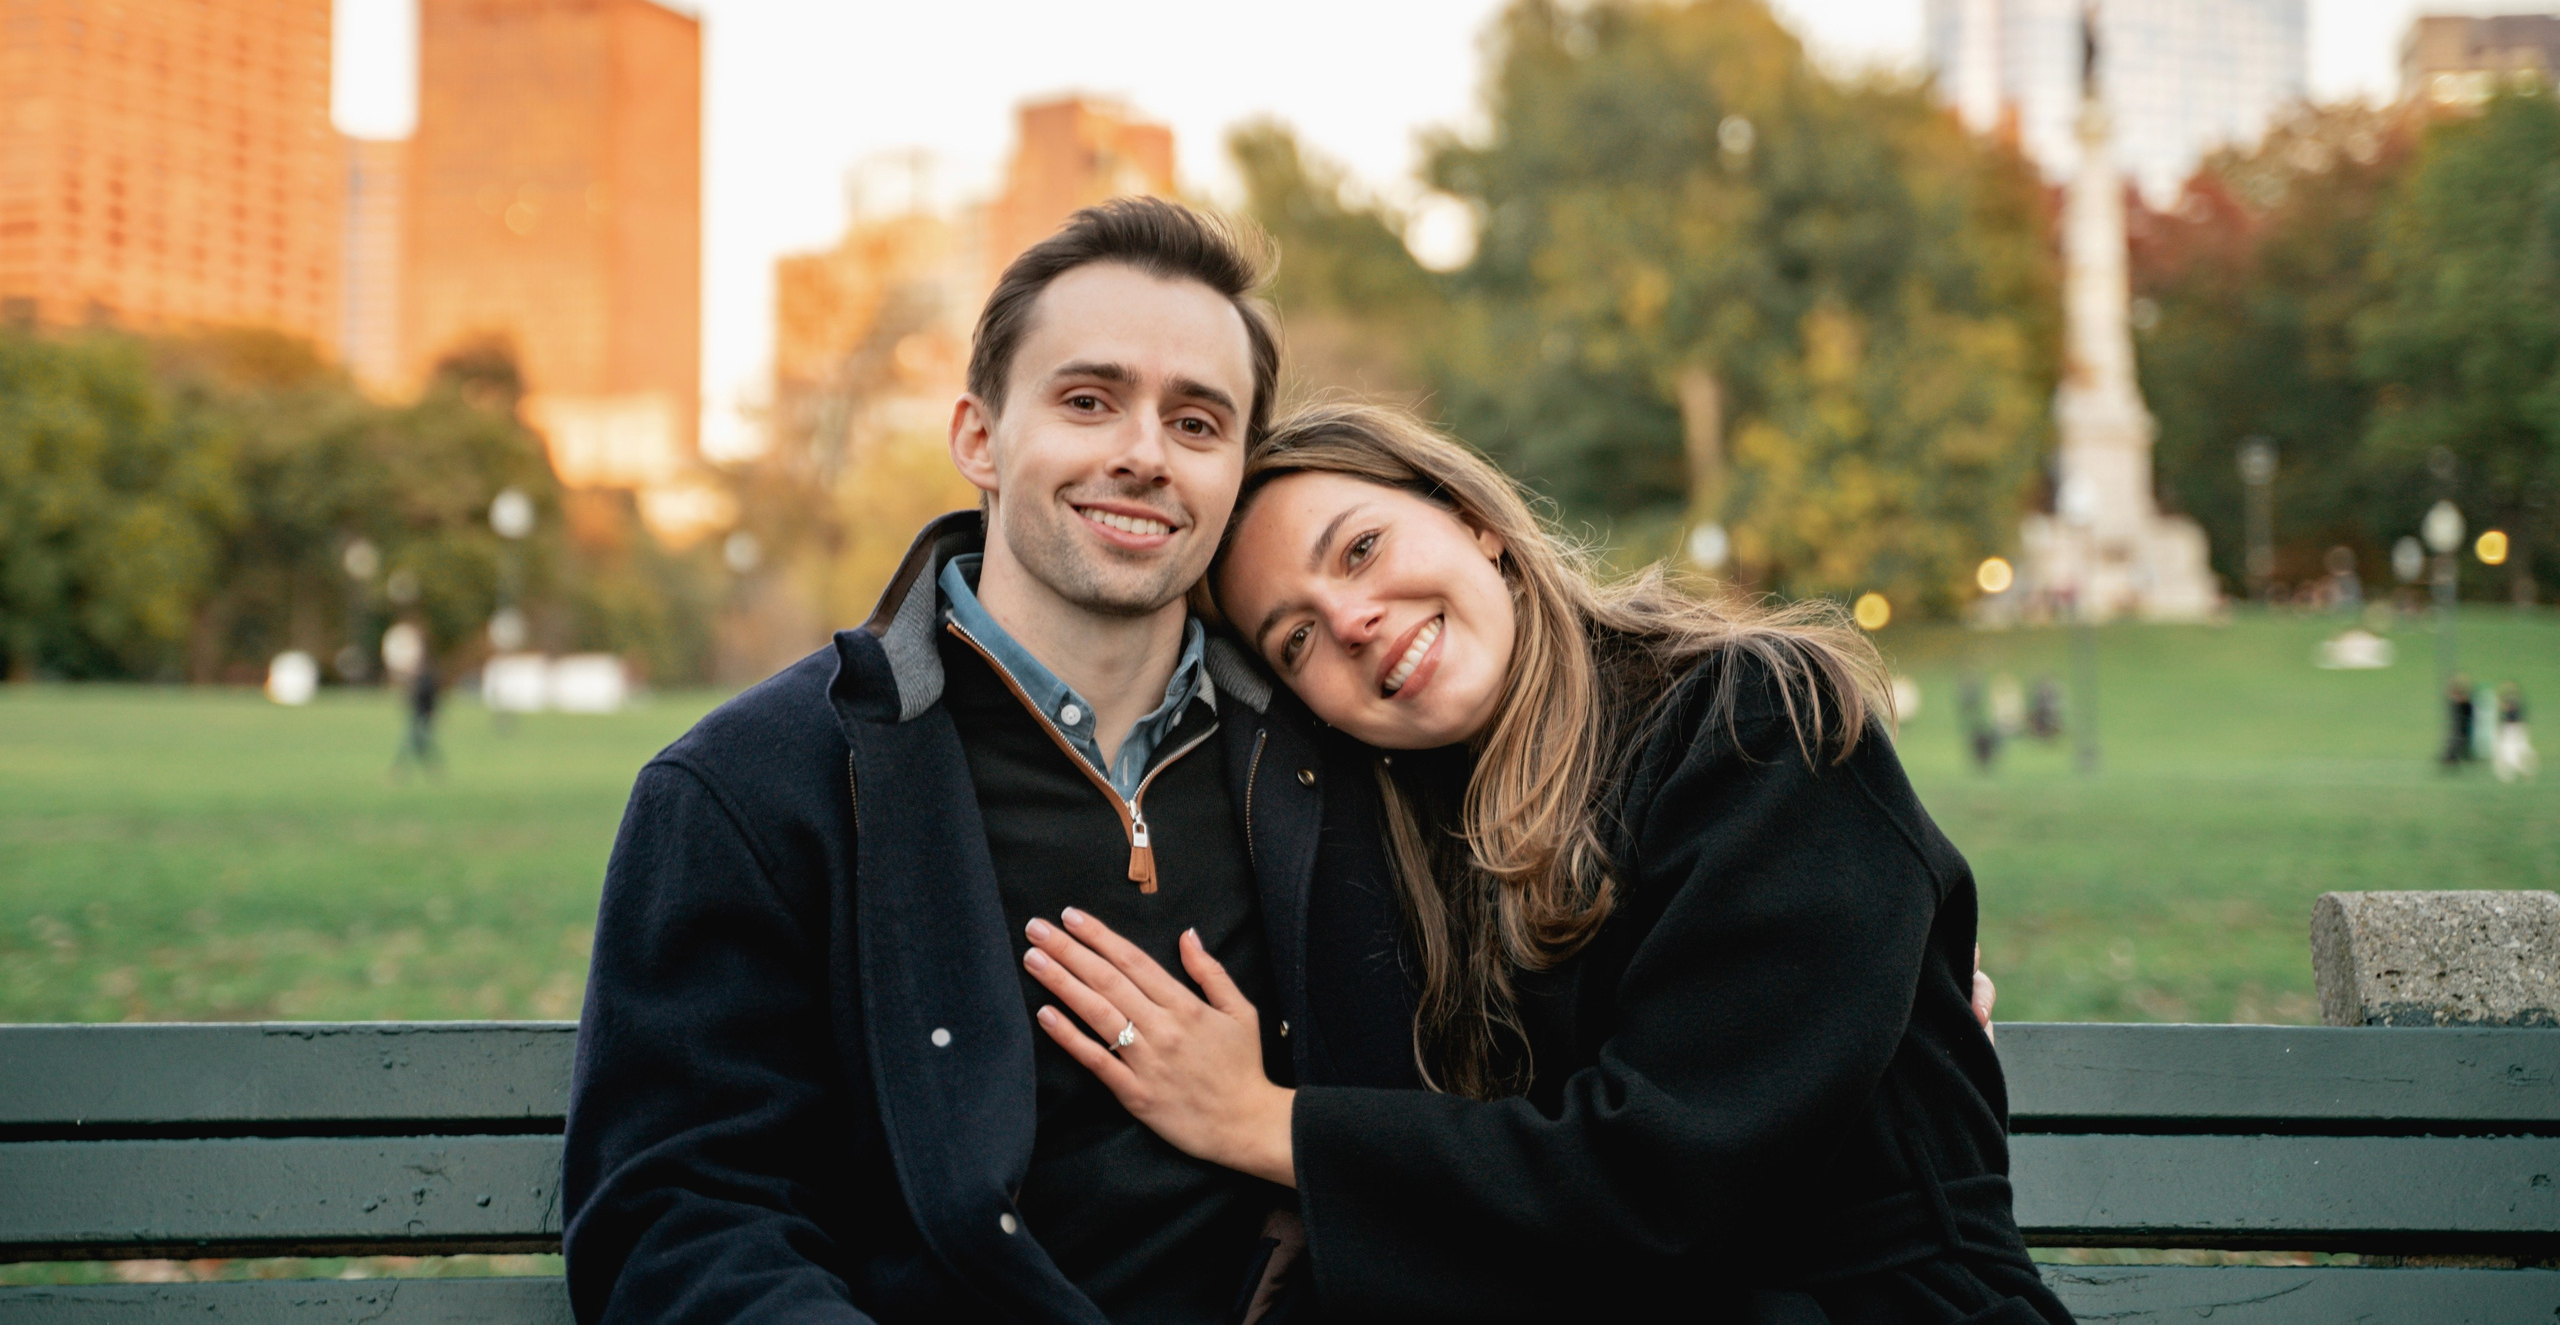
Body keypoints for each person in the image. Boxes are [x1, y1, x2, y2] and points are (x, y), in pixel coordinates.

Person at [560, 201, 1420, 1325]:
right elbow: (679, 1216)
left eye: (1198, 423)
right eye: (1087, 400)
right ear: (977, 435)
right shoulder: (752, 788)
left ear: (1236, 474)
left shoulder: (1334, 768)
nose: (1142, 454)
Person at [1022, 401, 2062, 1322]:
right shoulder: (1419, 859)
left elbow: (1666, 1182)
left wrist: (1260, 1122)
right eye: (1294, 640)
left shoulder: (1751, 720)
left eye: (1362, 547)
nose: (1349, 619)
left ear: (1476, 520)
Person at [2493, 682, 2536, 782]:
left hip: (2513, 727)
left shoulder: (2513, 700)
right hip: (2513, 727)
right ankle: (2523, 771)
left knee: (2512, 750)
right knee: (2514, 749)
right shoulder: (2511, 698)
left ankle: (2521, 771)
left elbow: (2508, 709)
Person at [2442, 674, 2477, 767]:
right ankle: (2452, 758)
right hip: (2460, 723)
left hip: (2464, 723)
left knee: (2460, 739)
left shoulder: (2463, 700)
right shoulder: (2458, 700)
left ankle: (2454, 757)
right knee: (2457, 739)